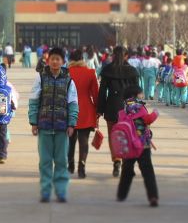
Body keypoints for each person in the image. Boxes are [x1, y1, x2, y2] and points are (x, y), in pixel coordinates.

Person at [29, 47, 78, 203]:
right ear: (48, 60)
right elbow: (34, 101)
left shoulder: (69, 80)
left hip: (62, 127)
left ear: (63, 61)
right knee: (45, 161)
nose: (55, 61)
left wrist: (72, 123)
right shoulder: (40, 78)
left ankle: (61, 191)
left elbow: (73, 104)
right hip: (44, 126)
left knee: (62, 161)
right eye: (52, 59)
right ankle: (45, 191)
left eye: (58, 59)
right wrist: (34, 122)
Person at [97, 46, 140, 178]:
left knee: (113, 135)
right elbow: (136, 92)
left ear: (113, 55)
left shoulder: (107, 70)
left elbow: (102, 92)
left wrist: (99, 110)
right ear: (126, 55)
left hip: (112, 107)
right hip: (128, 108)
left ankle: (116, 160)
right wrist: (137, 110)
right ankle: (127, 163)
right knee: (128, 135)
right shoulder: (132, 71)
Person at [116, 85, 159, 206]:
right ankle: (153, 196)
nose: (142, 95)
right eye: (141, 93)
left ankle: (121, 194)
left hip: (129, 144)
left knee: (127, 170)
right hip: (142, 144)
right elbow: (148, 119)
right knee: (147, 171)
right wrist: (155, 113)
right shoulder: (140, 107)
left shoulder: (123, 108)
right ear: (135, 95)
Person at [67, 49, 99, 178]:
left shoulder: (66, 73)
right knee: (83, 141)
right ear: (82, 59)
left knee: (70, 140)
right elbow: (95, 94)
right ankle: (82, 166)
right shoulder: (90, 72)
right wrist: (97, 111)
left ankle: (70, 164)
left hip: (69, 109)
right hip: (86, 110)